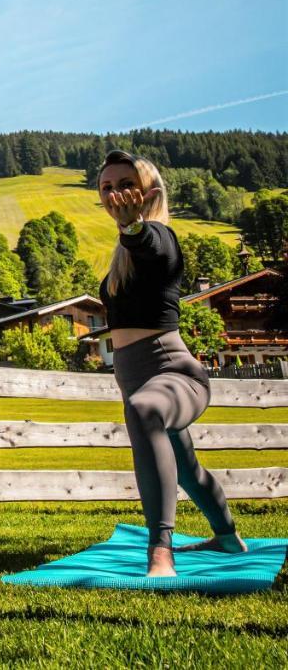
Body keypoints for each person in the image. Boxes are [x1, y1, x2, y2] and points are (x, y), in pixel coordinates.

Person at [97, 149, 246, 577]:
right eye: (107, 187)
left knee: (143, 411)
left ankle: (161, 551)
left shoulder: (160, 236)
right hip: (137, 375)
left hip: (174, 374)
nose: (115, 194)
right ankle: (227, 536)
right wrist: (127, 232)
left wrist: (134, 227)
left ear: (148, 191)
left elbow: (154, 249)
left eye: (125, 185)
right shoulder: (119, 256)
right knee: (186, 469)